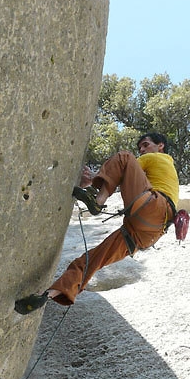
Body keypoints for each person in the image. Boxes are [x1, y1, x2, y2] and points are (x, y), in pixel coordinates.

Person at [15, 132, 179, 314]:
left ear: (160, 146)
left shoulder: (157, 157)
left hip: (155, 206)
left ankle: (98, 201)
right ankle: (47, 295)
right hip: (147, 234)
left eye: (146, 144)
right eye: (141, 147)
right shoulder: (165, 172)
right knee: (88, 262)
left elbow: (123, 169)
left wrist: (94, 178)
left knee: (124, 156)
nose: (142, 149)